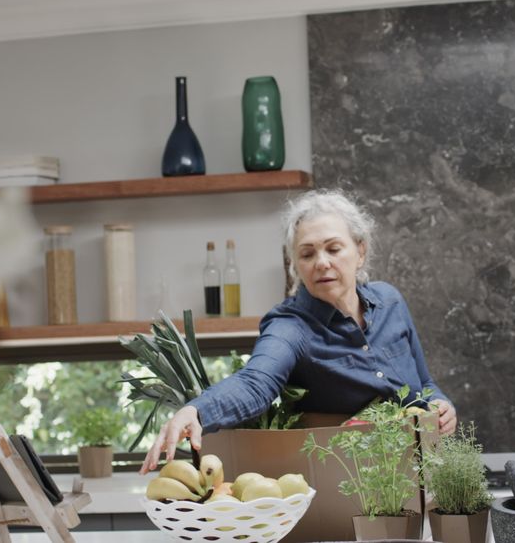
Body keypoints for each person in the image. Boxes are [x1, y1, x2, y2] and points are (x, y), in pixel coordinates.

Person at [141, 189, 456, 473]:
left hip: (423, 472)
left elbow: (424, 384)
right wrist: (197, 411)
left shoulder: (390, 301)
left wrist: (442, 407)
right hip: (349, 483)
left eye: (333, 249)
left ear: (360, 251)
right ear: (295, 264)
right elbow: (256, 383)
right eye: (307, 254)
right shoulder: (290, 326)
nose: (321, 263)